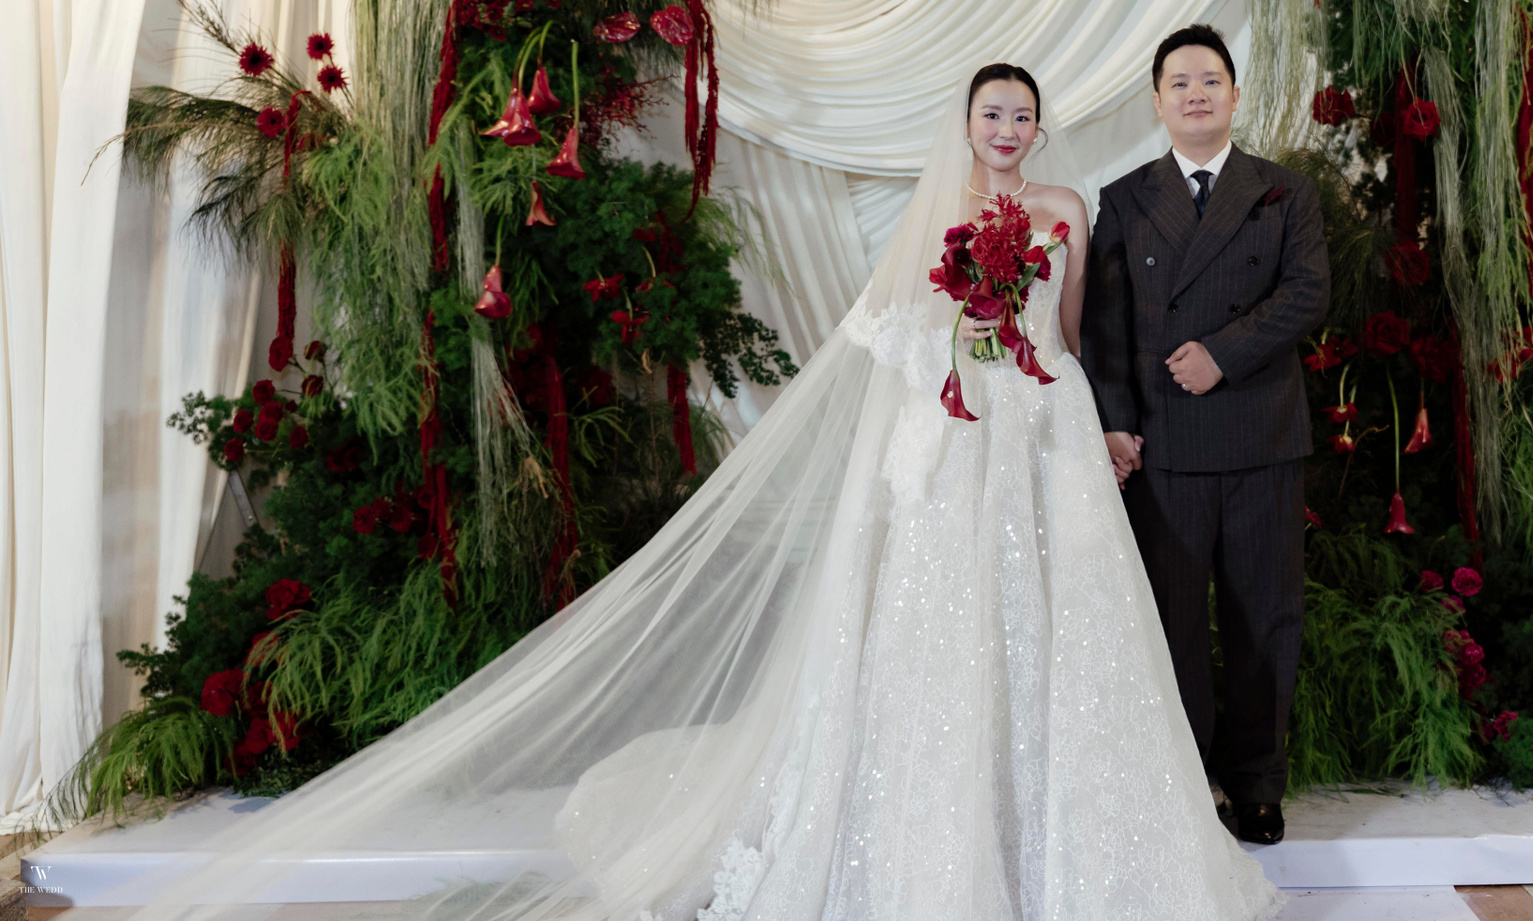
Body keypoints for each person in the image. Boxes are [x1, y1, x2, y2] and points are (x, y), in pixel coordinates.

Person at [117, 66, 1281, 921]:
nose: (1009, 128)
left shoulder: (1068, 210)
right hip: (958, 423)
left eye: (1022, 114)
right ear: (967, 123)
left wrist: (1067, 391)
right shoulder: (938, 213)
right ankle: (948, 838)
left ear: (1040, 125)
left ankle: (1066, 833)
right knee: (948, 626)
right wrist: (962, 344)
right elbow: (894, 329)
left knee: (1068, 626)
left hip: (1044, 420)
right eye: (993, 113)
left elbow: (1072, 325)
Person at [1082, 25, 1330, 845]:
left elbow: (1307, 293)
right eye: (1180, 83)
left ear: (1234, 94)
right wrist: (1115, 421)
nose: (1196, 93)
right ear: (1156, 101)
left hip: (1262, 435)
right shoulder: (1125, 198)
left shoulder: (1285, 191)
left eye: (1211, 80)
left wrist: (1223, 352)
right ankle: (1183, 788)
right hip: (1163, 445)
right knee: (1173, 626)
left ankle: (1257, 785)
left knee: (1264, 619)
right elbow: (1106, 324)